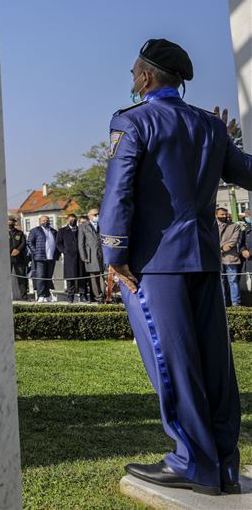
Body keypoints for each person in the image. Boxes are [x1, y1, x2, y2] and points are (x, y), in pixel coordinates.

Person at [101, 38, 252, 495]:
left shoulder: (132, 121)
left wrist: (114, 254)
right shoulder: (210, 125)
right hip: (204, 257)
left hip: (155, 262)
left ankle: (192, 463)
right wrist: (225, 139)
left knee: (174, 362)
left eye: (133, 73)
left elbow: (119, 190)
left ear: (147, 77)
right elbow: (245, 172)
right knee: (214, 365)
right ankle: (224, 464)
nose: (131, 80)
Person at [27, 215, 58, 302]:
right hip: (40, 257)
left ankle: (47, 295)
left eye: (47, 220)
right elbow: (29, 242)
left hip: (51, 258)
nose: (46, 222)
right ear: (40, 221)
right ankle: (41, 295)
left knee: (48, 277)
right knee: (40, 276)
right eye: (44, 220)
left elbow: (58, 243)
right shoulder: (35, 230)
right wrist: (35, 252)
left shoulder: (54, 231)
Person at [216, 207, 242, 307]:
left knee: (233, 281)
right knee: (220, 282)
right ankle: (222, 304)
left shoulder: (234, 226)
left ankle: (236, 304)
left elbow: (233, 242)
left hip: (230, 257)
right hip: (216, 259)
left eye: (226, 214)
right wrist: (221, 248)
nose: (224, 216)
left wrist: (219, 249)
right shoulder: (212, 226)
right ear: (216, 215)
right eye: (222, 214)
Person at [78, 208, 104, 302]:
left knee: (105, 275)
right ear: (89, 216)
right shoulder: (83, 226)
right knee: (94, 276)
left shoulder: (103, 224)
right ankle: (99, 296)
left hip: (103, 254)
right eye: (95, 214)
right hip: (91, 255)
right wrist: (83, 256)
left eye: (98, 214)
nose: (97, 216)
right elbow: (81, 242)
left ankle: (108, 295)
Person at [55, 214, 81, 302]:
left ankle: (83, 295)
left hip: (80, 257)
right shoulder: (62, 231)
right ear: (67, 220)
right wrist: (64, 251)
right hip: (69, 257)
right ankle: (70, 297)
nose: (73, 222)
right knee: (70, 278)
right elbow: (58, 243)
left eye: (74, 220)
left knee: (81, 277)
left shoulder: (80, 230)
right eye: (71, 220)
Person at [8, 216, 28, 301]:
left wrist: (18, 250)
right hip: (6, 258)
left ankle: (24, 296)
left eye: (11, 222)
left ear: (14, 223)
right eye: (8, 221)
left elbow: (23, 243)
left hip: (18, 258)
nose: (9, 223)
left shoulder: (19, 233)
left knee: (21, 277)